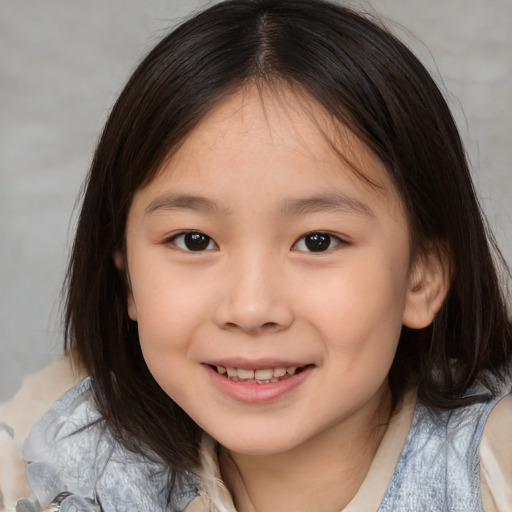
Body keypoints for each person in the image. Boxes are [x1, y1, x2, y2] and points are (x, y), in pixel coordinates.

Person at [6, 0, 512, 510]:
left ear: (421, 278)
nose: (250, 309)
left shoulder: (495, 467)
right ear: (128, 279)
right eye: (194, 240)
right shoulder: (51, 449)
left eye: (318, 241)